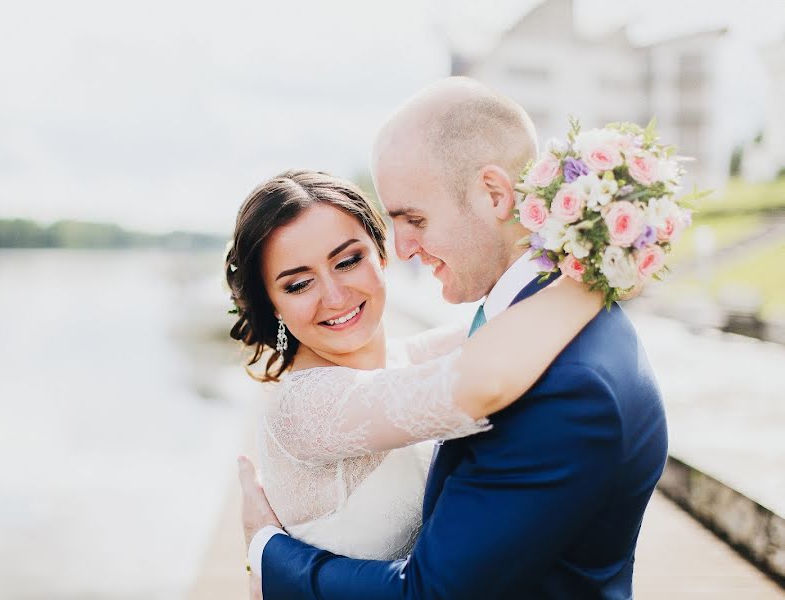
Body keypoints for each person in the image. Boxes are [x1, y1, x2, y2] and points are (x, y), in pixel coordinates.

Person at [237, 77, 668, 599]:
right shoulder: (305, 406)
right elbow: (475, 378)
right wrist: (599, 271)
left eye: (349, 259)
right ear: (272, 304)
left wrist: (268, 552)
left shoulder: (561, 378)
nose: (333, 295)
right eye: (298, 283)